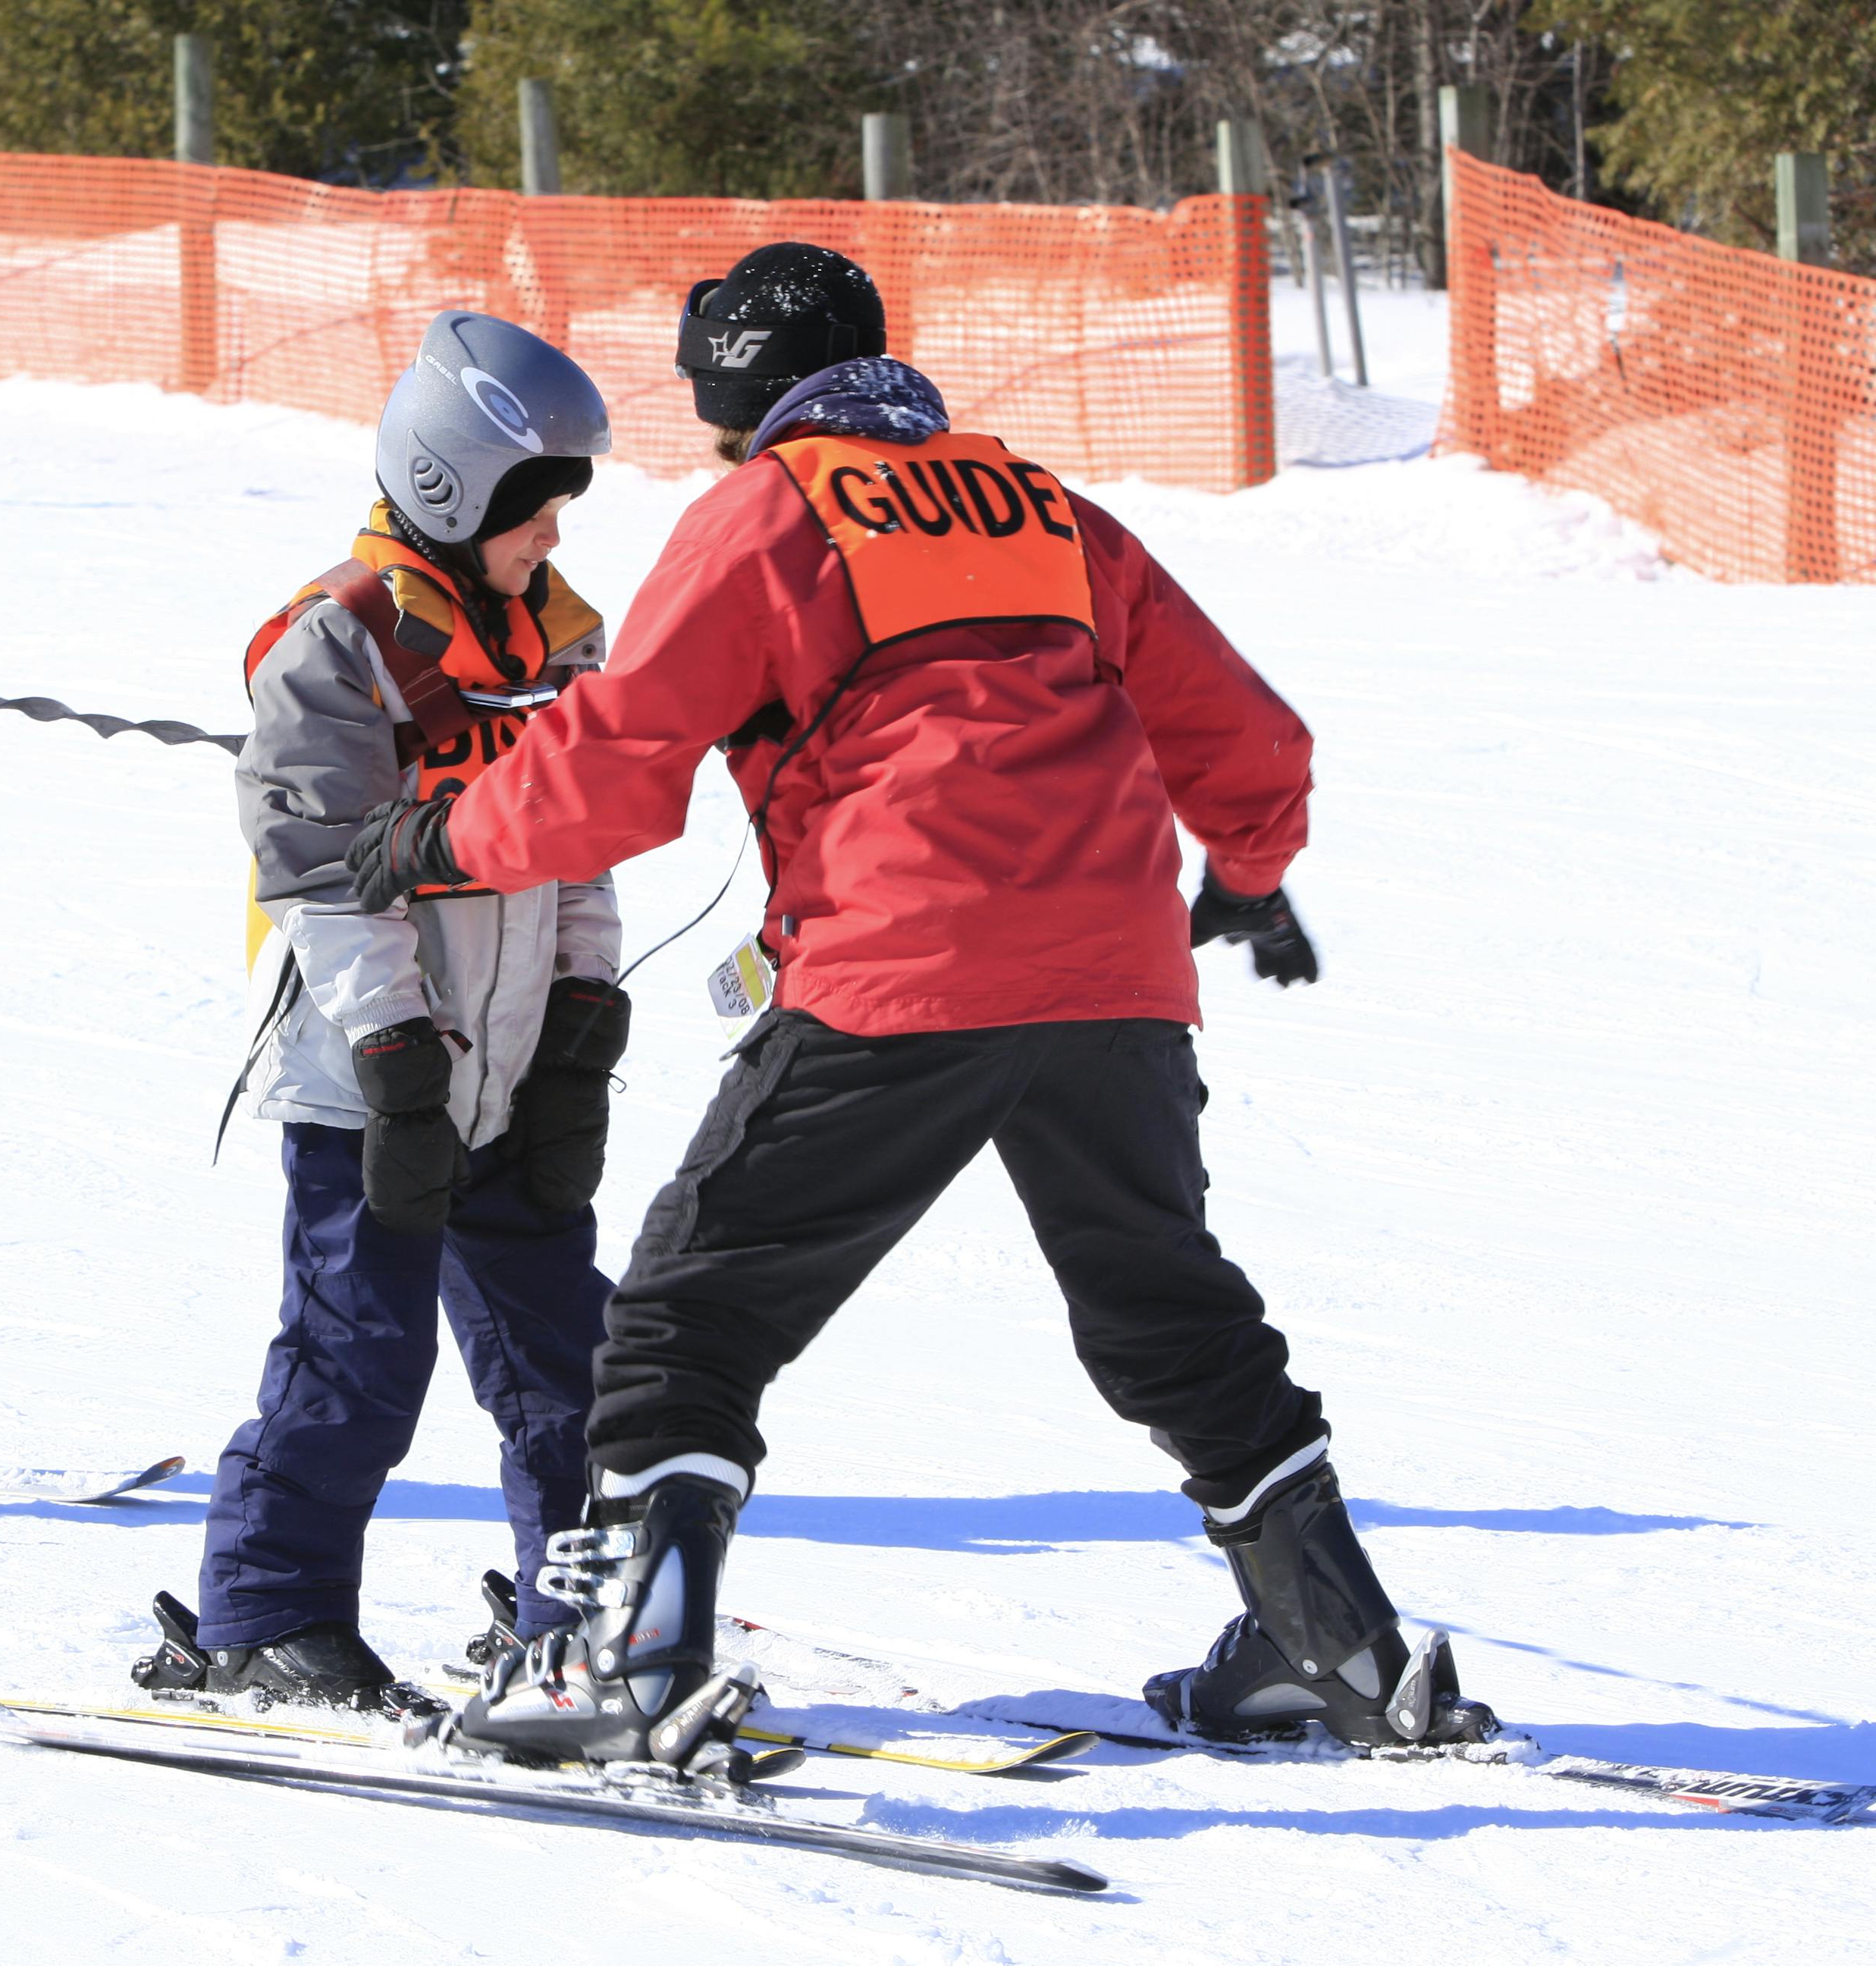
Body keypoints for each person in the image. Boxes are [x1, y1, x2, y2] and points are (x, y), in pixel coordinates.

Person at [344, 244, 1493, 1767]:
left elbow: (620, 765)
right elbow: (1247, 733)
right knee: (1166, 1313)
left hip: (903, 961)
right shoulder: (1043, 506)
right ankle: (1337, 1647)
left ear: (745, 392)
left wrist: (446, 837)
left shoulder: (771, 511)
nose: (711, 442)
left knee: (691, 1313)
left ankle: (629, 1660)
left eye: (711, 411)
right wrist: (1252, 871)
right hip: (1115, 977)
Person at [130, 312, 631, 1714]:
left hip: (518, 1061)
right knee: (357, 1358)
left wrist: (584, 1012)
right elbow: (318, 877)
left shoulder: (565, 638)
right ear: (452, 490)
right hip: (371, 1080)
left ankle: (581, 1626)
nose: (555, 534)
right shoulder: (338, 643)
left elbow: (581, 847)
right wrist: (399, 1052)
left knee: (569, 1364)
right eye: (535, 508)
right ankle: (264, 1614)